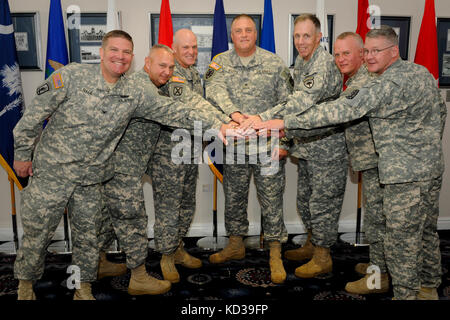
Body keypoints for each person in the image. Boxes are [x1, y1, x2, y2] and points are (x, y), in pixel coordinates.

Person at [13, 30, 234, 300]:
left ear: (132, 57)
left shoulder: (134, 92)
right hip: (52, 172)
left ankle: (83, 289)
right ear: (102, 53)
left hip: (91, 178)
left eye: (126, 52)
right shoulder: (71, 76)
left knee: (89, 238)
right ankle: (25, 286)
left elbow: (173, 111)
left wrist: (219, 125)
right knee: (38, 232)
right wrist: (22, 155)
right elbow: (34, 115)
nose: (120, 56)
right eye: (115, 50)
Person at [255, 25, 447, 300]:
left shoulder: (385, 83)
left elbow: (341, 109)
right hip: (427, 170)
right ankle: (428, 286)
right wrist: (424, 148)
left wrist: (286, 123)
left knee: (400, 240)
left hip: (401, 175)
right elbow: (441, 111)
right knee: (425, 231)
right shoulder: (422, 73)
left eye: (374, 51)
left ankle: (405, 293)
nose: (368, 56)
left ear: (394, 52)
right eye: (366, 51)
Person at [244, 14, 347, 279]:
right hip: (308, 147)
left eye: (306, 36)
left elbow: (298, 104)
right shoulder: (302, 63)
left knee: (323, 203)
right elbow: (293, 101)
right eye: (297, 36)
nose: (301, 41)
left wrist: (263, 118)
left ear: (318, 37)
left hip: (327, 148)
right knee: (307, 200)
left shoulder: (322, 64)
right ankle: (313, 244)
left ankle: (323, 257)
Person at [204, 14, 293, 284]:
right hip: (235, 146)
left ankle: (275, 250)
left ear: (256, 34)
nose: (243, 35)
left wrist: (285, 142)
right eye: (238, 31)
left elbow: (289, 104)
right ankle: (235, 244)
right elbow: (214, 91)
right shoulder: (219, 62)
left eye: (248, 30)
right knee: (234, 199)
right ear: (231, 35)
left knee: (272, 201)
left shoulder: (274, 62)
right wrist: (237, 114)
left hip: (267, 146)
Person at [332, 32, 389, 294]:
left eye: (347, 53)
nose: (341, 59)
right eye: (337, 54)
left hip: (380, 164)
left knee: (377, 221)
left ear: (361, 54)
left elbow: (336, 113)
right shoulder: (355, 79)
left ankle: (379, 278)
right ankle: (380, 265)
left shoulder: (364, 81)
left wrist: (283, 124)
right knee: (376, 219)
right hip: (371, 162)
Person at [148, 29, 205, 283]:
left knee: (186, 203)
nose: (191, 52)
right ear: (174, 48)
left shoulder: (193, 73)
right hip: (169, 154)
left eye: (194, 47)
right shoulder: (169, 74)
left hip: (191, 150)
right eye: (185, 48)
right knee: (169, 207)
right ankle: (166, 256)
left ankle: (178, 247)